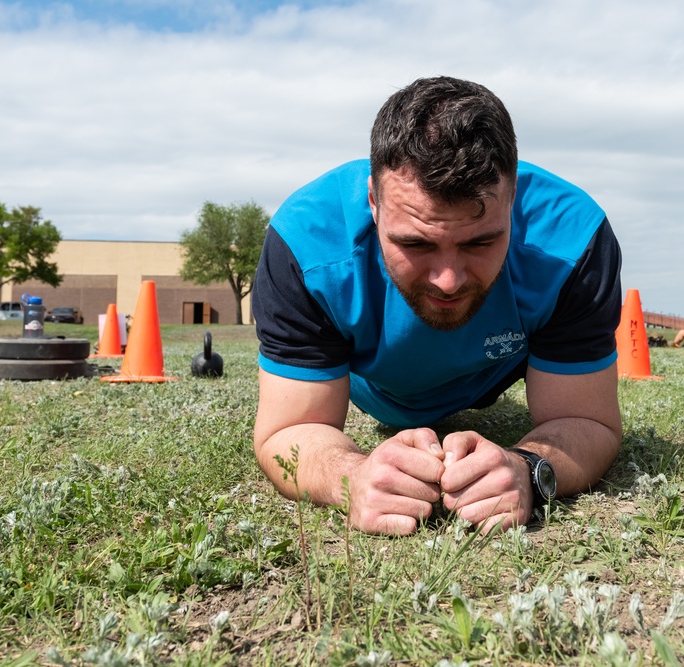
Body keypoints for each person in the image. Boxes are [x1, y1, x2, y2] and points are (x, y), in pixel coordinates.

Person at [252, 76, 623, 536]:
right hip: (377, 383)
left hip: (495, 368)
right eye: (415, 243)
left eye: (481, 241)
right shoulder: (304, 242)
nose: (448, 280)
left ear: (513, 200)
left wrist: (528, 468)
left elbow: (588, 420)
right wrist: (349, 476)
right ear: (373, 202)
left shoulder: (574, 240)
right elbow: (286, 431)